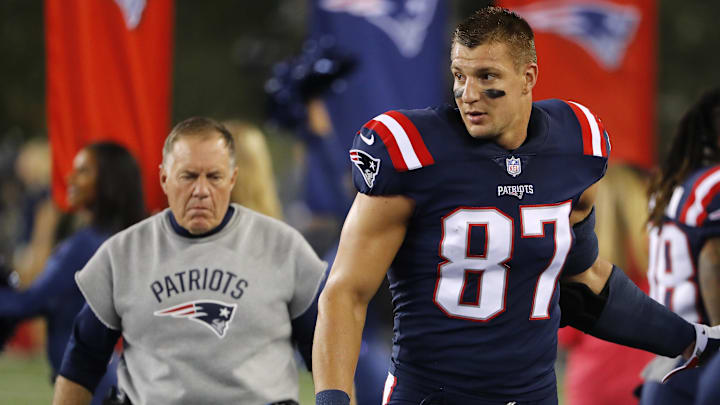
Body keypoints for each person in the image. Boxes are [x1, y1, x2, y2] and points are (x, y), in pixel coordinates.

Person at [311, 7, 720, 405]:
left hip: (533, 395)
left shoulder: (575, 147)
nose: (467, 94)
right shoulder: (411, 153)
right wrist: (333, 400)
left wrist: (690, 339)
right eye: (459, 75)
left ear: (529, 77)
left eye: (486, 76)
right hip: (431, 395)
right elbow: (345, 292)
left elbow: (584, 283)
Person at [52, 117, 327, 405]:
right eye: (188, 176)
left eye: (214, 177)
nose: (201, 190)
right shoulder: (122, 254)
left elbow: (327, 354)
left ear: (232, 178)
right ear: (164, 179)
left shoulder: (284, 248)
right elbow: (81, 364)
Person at [0, 142, 146, 405]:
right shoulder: (112, 239)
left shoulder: (87, 245)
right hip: (101, 384)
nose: (70, 177)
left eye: (83, 171)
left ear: (107, 182)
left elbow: (28, 303)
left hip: (91, 389)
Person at [639, 87, 720, 404]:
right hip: (708, 361)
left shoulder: (674, 187)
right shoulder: (713, 183)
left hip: (667, 367)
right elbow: (714, 257)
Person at [558, 164, 654, 405]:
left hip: (592, 390)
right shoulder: (661, 267)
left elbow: (564, 336)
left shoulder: (576, 270)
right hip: (652, 386)